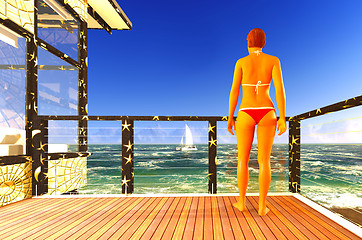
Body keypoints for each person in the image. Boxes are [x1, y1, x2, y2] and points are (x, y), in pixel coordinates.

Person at [227, 28, 286, 216]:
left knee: (242, 160)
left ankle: (242, 202)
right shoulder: (273, 60)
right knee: (264, 161)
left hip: (245, 111)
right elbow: (279, 91)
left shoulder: (241, 62)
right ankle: (262, 206)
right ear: (264, 42)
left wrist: (230, 117)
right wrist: (282, 118)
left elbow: (235, 91)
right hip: (267, 111)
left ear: (247, 41)